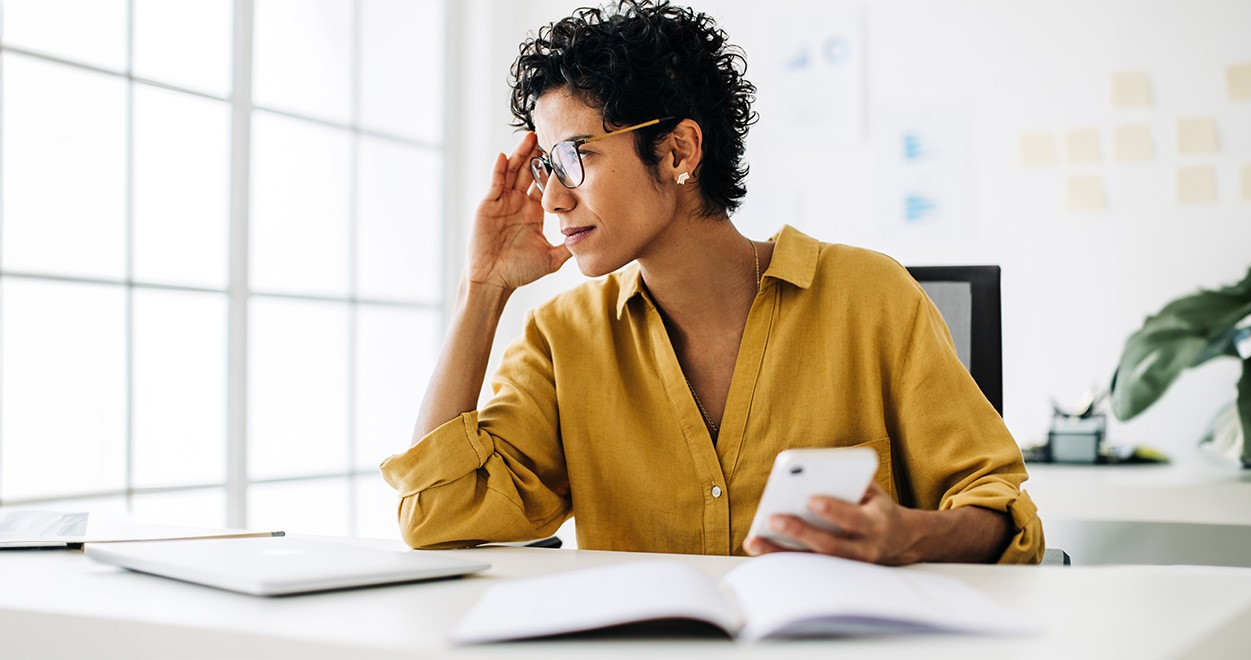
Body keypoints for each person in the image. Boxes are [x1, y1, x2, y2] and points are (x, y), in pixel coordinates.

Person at [381, 0, 1043, 564]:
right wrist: (483, 288)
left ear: (678, 152)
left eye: (574, 158)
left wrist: (907, 535)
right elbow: (433, 514)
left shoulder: (870, 295)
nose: (551, 200)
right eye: (544, 167)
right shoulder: (561, 337)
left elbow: (1003, 513)